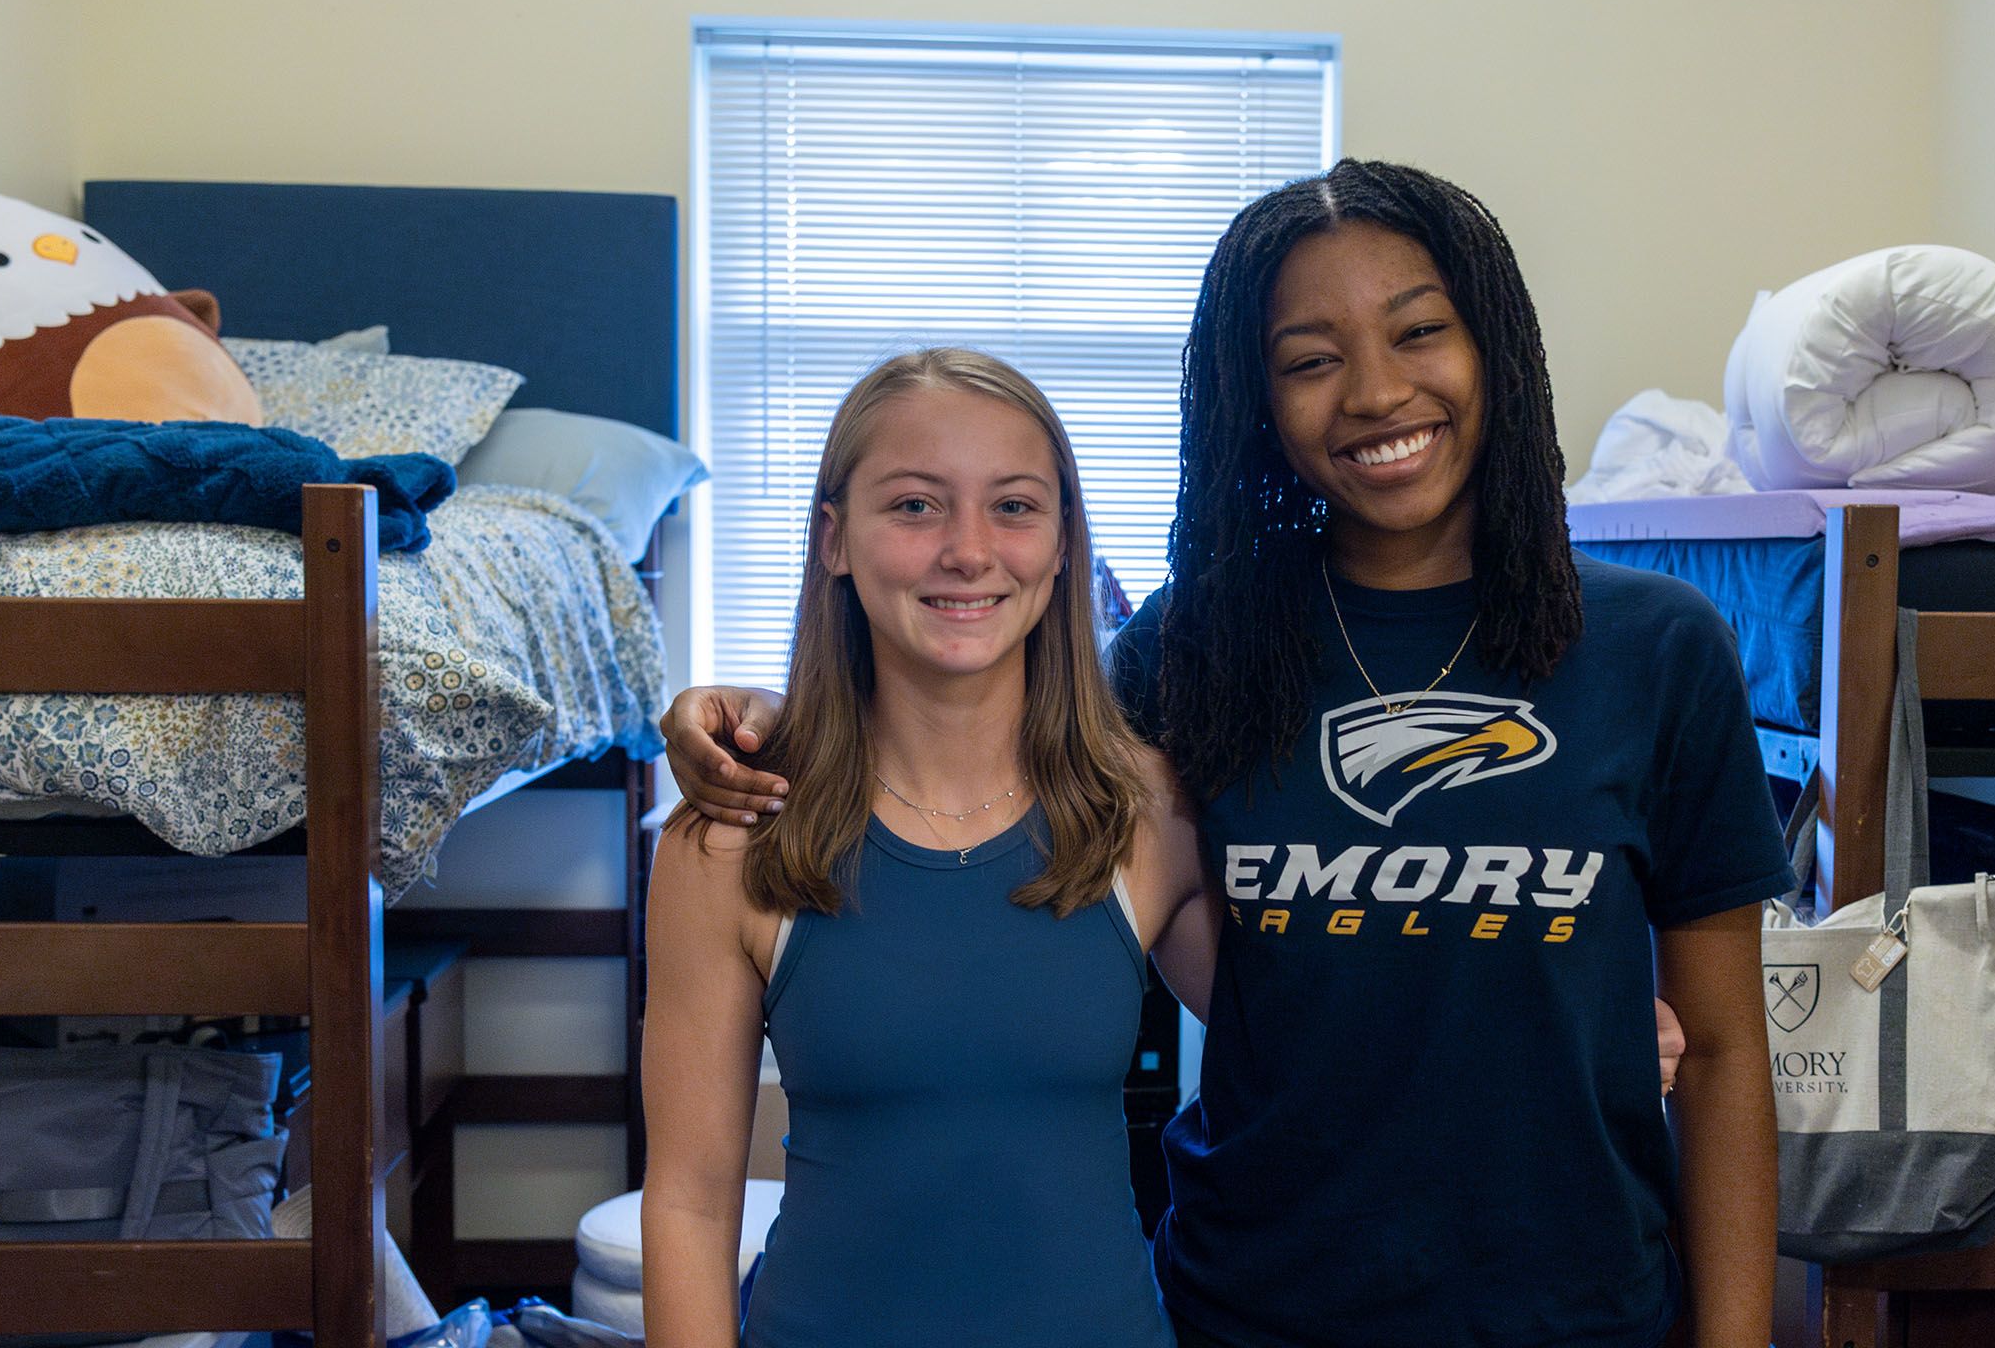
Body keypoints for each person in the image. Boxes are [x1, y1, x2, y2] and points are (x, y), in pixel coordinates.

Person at [664, 161, 1790, 1348]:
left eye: (1419, 333)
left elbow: (1718, 1048)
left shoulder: (1660, 651)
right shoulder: (1190, 650)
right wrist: (757, 716)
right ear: (1255, 398)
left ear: (1495, 346)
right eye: (1309, 360)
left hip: (1576, 1308)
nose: (1373, 392)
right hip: (1255, 1307)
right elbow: (970, 735)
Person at [639, 348, 1216, 1348]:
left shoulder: (1150, 815)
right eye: (914, 506)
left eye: (1015, 507)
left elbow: (1326, 1059)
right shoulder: (727, 841)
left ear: (1065, 540)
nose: (967, 551)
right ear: (835, 539)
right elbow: (688, 1205)